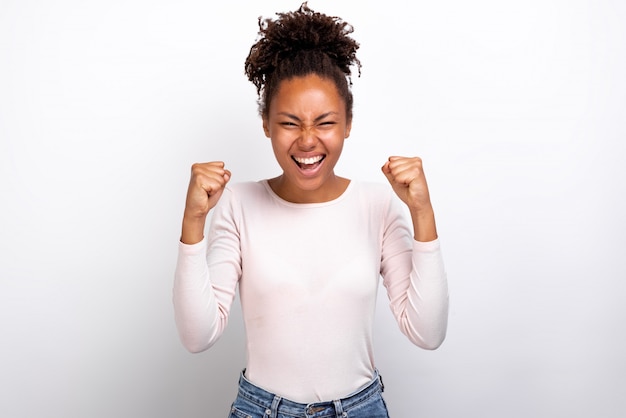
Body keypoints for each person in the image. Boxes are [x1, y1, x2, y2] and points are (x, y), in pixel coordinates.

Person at [173, 3, 449, 417]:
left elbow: (427, 333)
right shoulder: (239, 205)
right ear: (265, 123)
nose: (307, 141)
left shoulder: (377, 205)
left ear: (348, 123)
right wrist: (193, 222)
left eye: (325, 122)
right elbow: (198, 335)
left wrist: (422, 213)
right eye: (289, 123)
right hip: (262, 409)